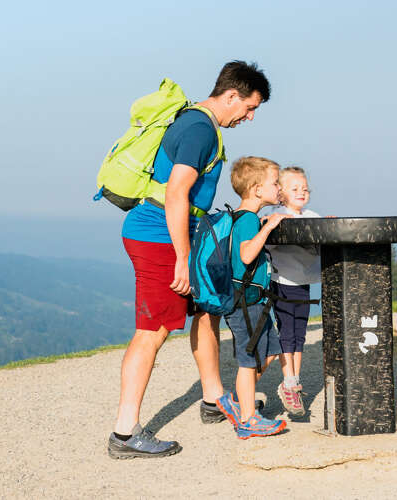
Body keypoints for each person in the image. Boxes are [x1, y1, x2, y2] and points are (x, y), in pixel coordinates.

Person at [107, 61, 271, 459]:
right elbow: (178, 193)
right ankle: (125, 433)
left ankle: (214, 398)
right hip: (159, 238)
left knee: (206, 310)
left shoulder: (195, 122)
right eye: (249, 108)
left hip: (178, 235)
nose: (249, 117)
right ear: (231, 95)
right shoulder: (199, 129)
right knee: (153, 331)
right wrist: (182, 258)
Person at [214, 156, 292, 439]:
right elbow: (247, 255)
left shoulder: (245, 218)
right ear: (257, 189)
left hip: (252, 301)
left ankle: (237, 401)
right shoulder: (247, 219)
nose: (279, 187)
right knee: (249, 361)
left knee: (270, 351)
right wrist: (268, 227)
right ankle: (247, 419)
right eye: (275, 183)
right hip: (244, 303)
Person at [263, 167, 320, 416]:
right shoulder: (276, 215)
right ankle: (289, 381)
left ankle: (294, 380)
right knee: (287, 333)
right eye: (295, 188)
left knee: (300, 334)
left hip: (303, 282)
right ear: (281, 192)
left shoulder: (312, 215)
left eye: (305, 189)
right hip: (282, 281)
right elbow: (265, 227)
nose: (301, 192)